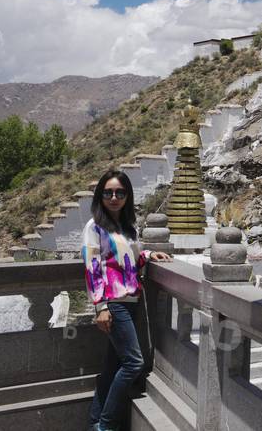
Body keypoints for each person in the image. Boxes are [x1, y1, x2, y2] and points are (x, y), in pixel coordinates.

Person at [83, 169, 173, 431]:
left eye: (120, 193)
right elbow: (92, 266)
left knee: (113, 367)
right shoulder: (94, 227)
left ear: (127, 196)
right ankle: (106, 426)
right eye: (108, 192)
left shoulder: (128, 226)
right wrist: (100, 307)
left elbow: (130, 258)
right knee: (134, 363)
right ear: (100, 195)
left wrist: (148, 254)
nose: (114, 197)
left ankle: (95, 423)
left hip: (131, 301)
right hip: (114, 303)